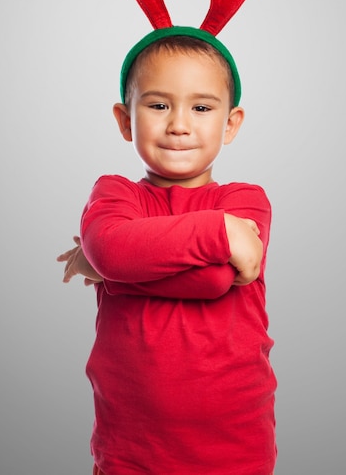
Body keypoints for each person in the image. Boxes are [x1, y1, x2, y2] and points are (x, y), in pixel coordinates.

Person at [57, 31, 276, 474]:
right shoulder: (115, 193)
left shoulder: (244, 201)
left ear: (230, 123)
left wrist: (109, 269)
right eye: (158, 106)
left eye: (201, 107)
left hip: (234, 445)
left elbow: (213, 281)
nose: (179, 124)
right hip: (130, 446)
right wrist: (218, 234)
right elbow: (111, 249)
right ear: (125, 120)